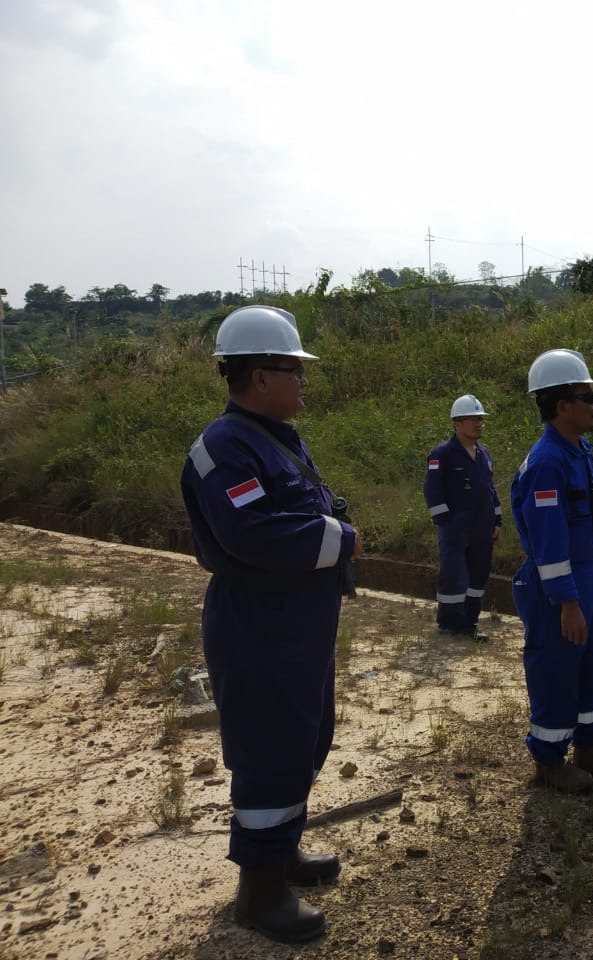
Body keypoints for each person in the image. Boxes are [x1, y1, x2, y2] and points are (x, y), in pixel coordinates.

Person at [180, 305, 362, 943]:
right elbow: (254, 535)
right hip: (260, 624)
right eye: (294, 370)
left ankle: (280, 853)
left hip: (297, 624)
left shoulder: (271, 435)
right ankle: (259, 893)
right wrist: (339, 539)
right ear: (260, 375)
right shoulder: (224, 448)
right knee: (269, 749)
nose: (303, 382)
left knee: (305, 739)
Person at [510, 349, 593, 793]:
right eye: (587, 398)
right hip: (555, 585)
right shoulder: (547, 463)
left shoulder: (578, 450)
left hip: (585, 577)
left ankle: (591, 749)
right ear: (561, 405)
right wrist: (567, 602)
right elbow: (548, 539)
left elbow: (587, 516)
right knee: (557, 672)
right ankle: (549, 762)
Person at [423, 394, 502, 641]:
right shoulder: (442, 453)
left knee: (478, 576)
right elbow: (431, 489)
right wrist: (445, 520)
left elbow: (490, 488)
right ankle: (448, 623)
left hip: (482, 527)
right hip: (455, 527)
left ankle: (469, 624)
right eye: (473, 419)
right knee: (454, 576)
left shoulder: (484, 453)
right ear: (458, 423)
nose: (479, 424)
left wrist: (497, 519)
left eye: (480, 419)